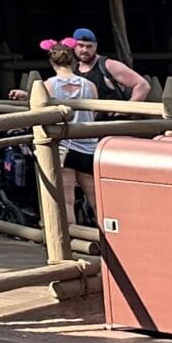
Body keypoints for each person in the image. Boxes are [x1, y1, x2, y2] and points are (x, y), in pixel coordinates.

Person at [38, 38, 101, 222]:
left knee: (67, 200)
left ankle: (72, 241)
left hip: (65, 146)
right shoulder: (89, 85)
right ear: (73, 60)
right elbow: (94, 113)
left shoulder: (48, 86)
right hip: (89, 146)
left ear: (51, 62)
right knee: (96, 199)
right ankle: (106, 239)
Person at [70, 29, 151, 102]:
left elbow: (143, 85)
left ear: (95, 46)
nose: (85, 50)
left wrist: (127, 110)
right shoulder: (73, 68)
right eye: (81, 45)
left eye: (89, 46)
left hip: (114, 117)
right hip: (88, 118)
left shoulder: (108, 65)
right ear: (74, 46)